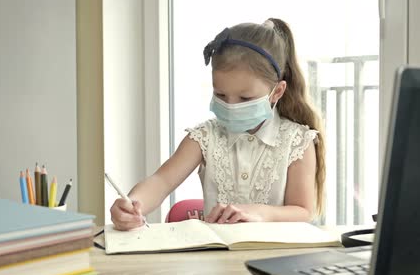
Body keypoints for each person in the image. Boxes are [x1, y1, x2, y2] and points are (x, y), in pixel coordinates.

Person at [110, 18, 326, 231]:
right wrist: (133, 204)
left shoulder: (297, 141)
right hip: (218, 260)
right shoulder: (205, 136)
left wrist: (259, 212)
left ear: (276, 91)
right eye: (220, 94)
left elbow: (302, 210)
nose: (230, 105)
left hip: (276, 260)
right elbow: (161, 182)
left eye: (245, 98)